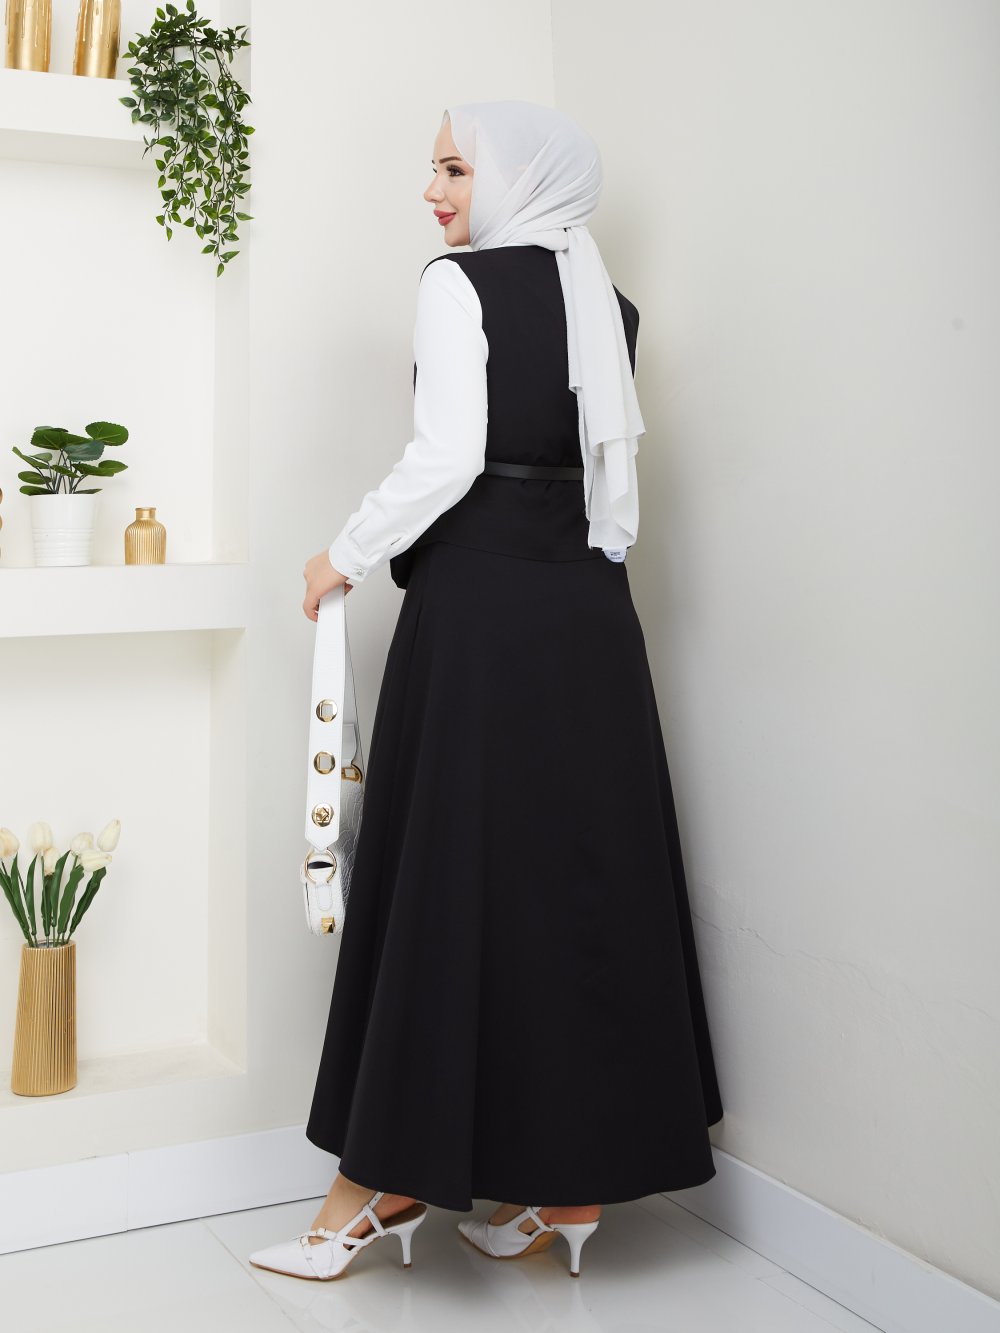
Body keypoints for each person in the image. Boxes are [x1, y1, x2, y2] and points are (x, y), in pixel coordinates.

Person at [249, 99, 724, 1284]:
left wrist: (342, 554)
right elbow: (603, 483)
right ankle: (566, 1190)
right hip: (589, 623)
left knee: (443, 884)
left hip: (478, 620)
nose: (435, 192)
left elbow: (448, 455)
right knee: (566, 885)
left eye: (455, 169)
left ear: (513, 178)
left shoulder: (456, 285)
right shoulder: (608, 304)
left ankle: (375, 1189)